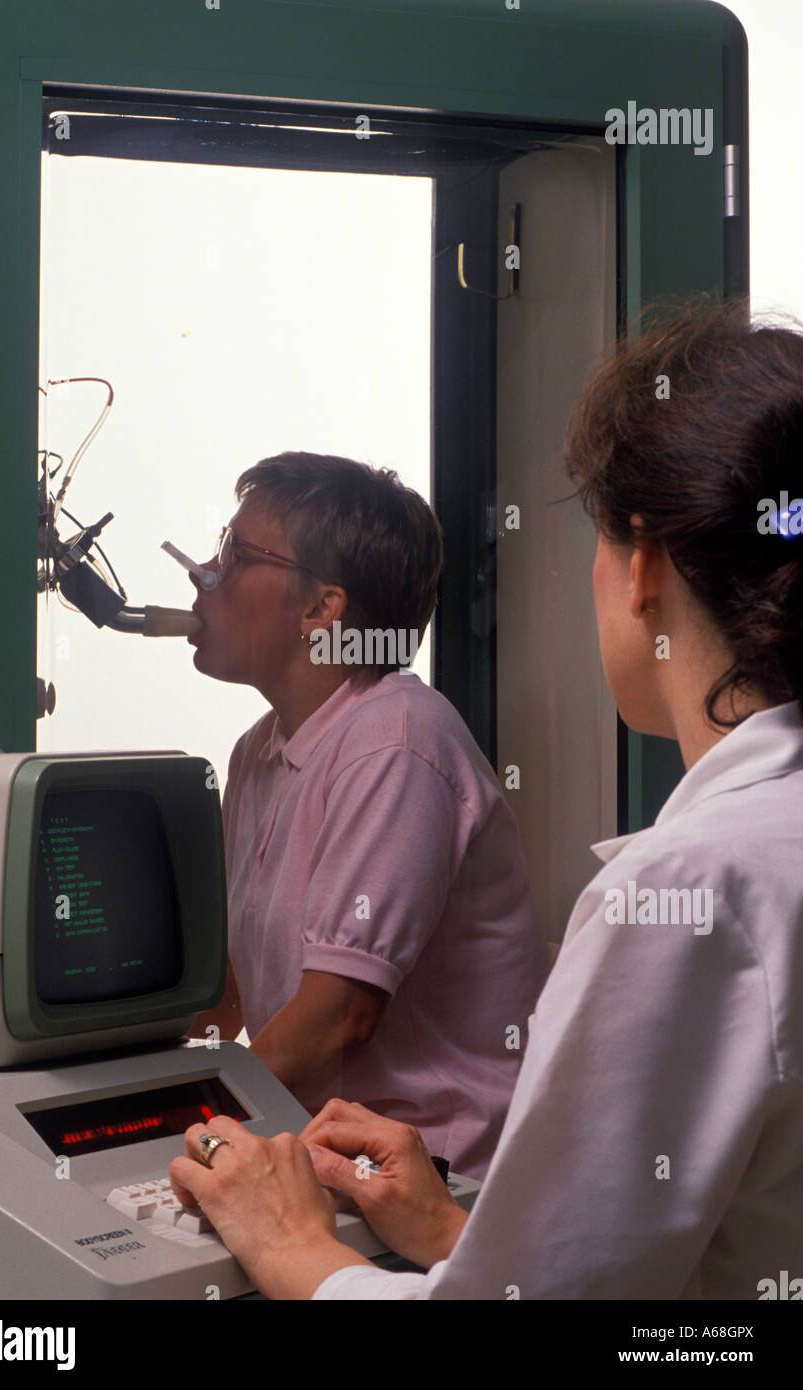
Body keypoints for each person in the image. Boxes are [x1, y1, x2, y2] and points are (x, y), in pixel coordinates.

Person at [169, 298, 803, 1299]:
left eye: (241, 555)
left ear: (642, 569)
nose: (209, 573)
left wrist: (292, 1247)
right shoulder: (756, 846)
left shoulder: (693, 886)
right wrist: (453, 1230)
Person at [186, 452, 550, 1180]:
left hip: (442, 1184)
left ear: (323, 608)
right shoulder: (256, 754)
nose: (203, 572)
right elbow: (228, 994)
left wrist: (196, 1128)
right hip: (329, 1155)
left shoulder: (396, 740)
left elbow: (336, 1015)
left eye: (235, 554)